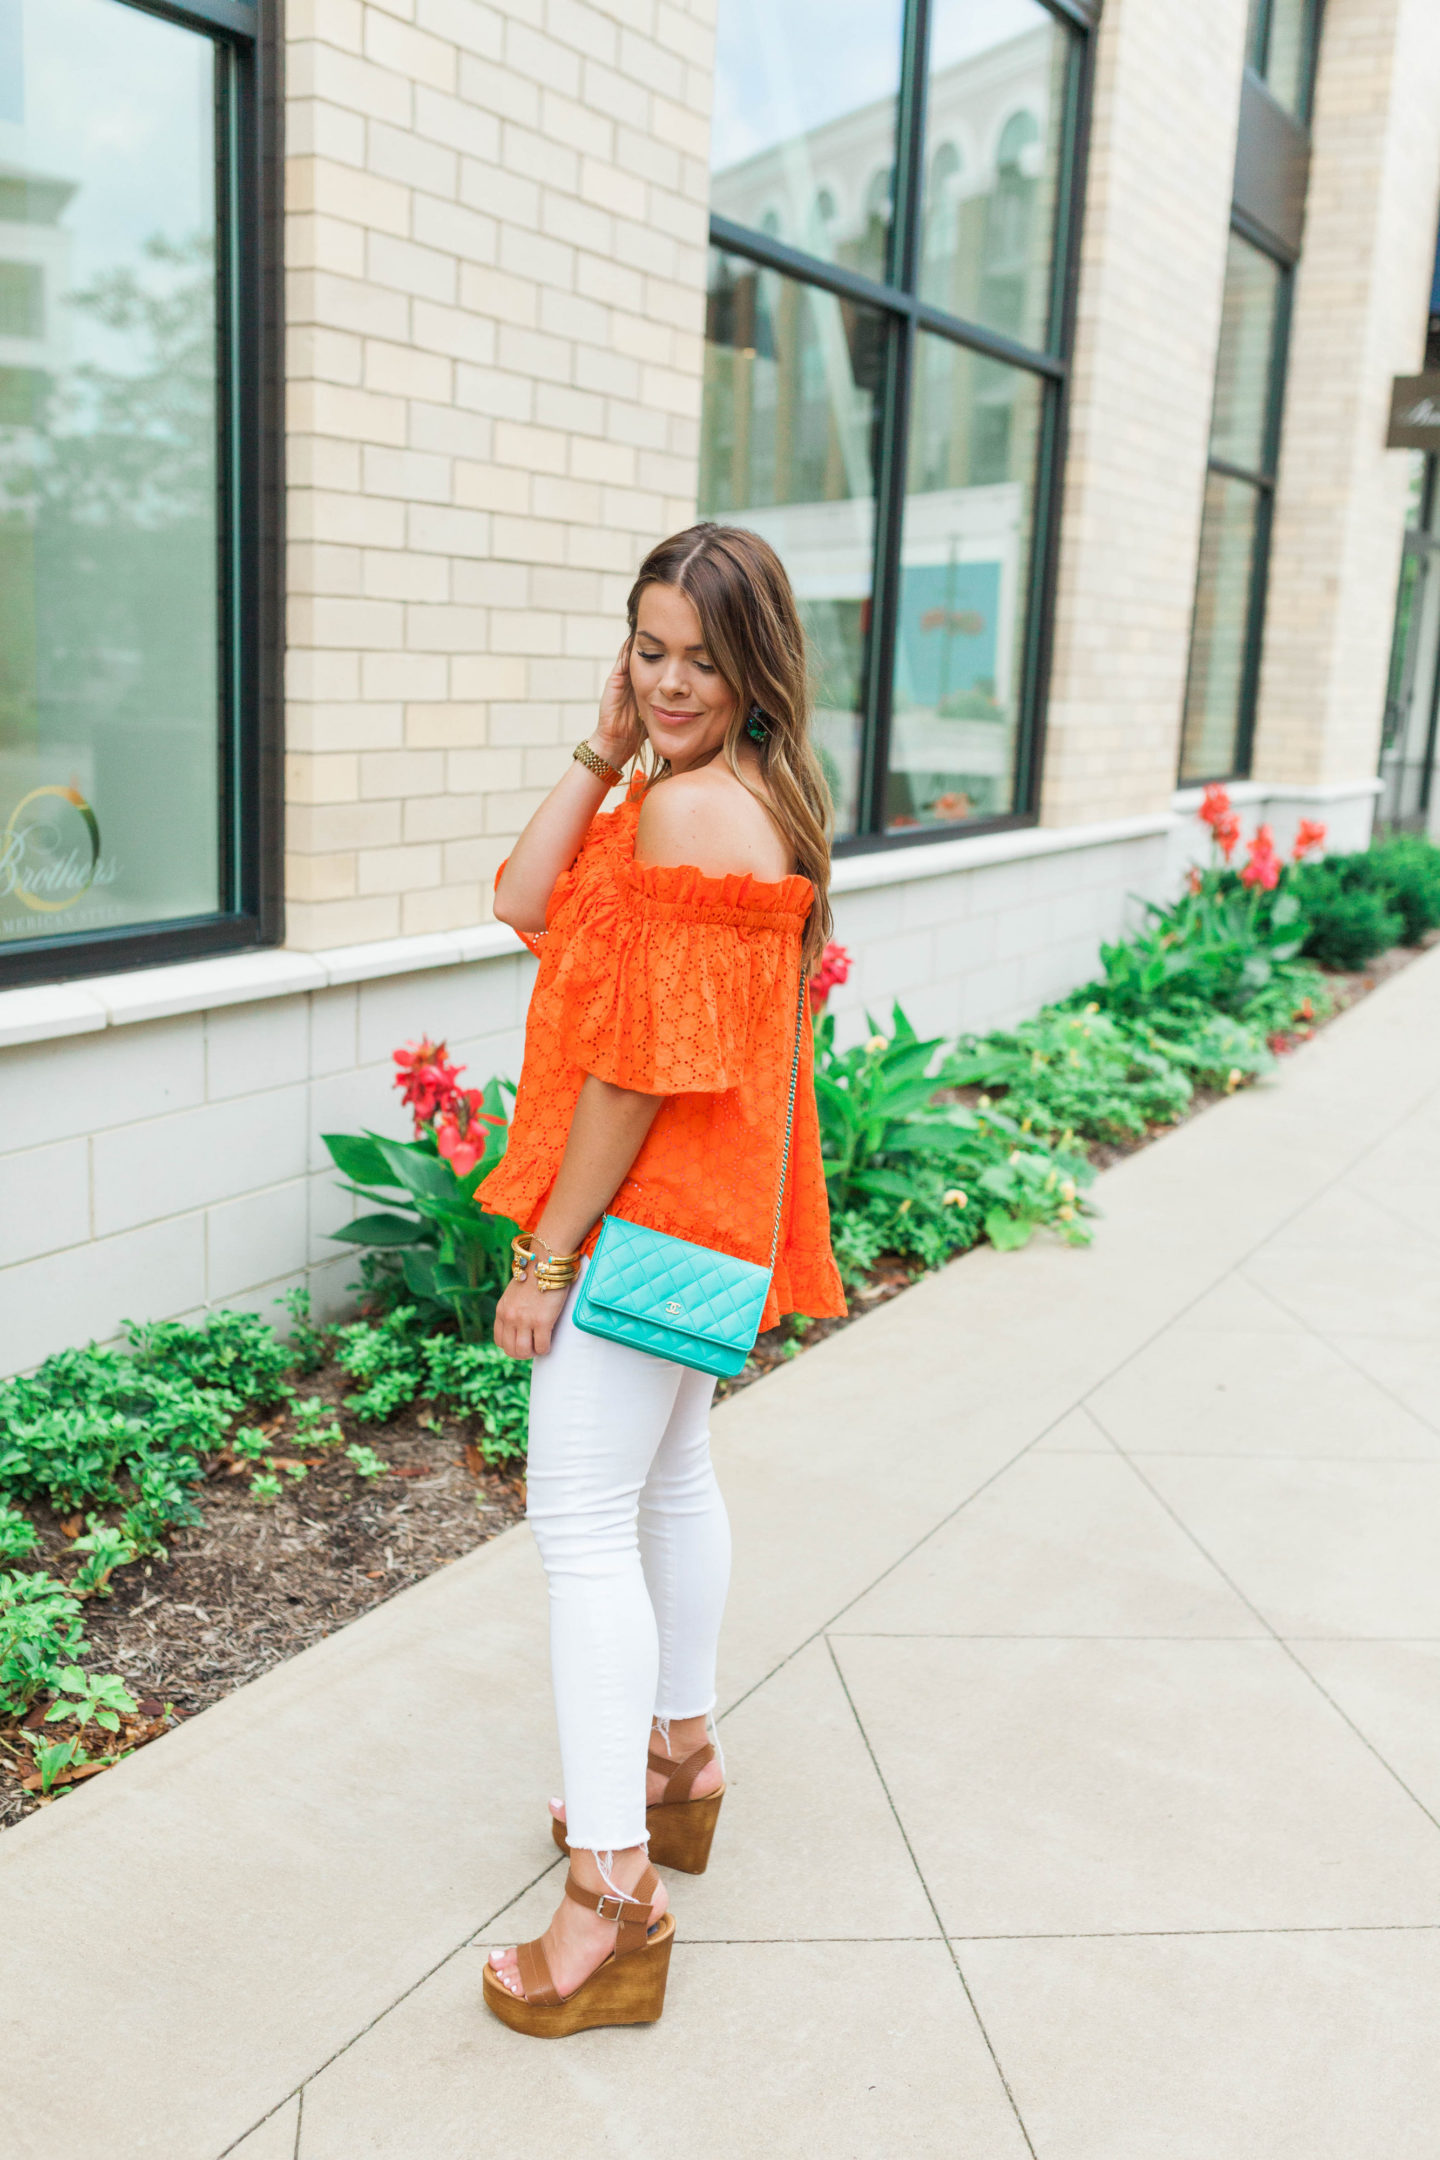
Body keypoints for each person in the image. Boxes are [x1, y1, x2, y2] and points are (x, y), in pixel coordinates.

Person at [475, 523, 845, 2037]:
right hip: (711, 1213)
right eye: (651, 646)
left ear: (757, 666)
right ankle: (675, 1763)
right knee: (671, 1480)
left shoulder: (702, 818)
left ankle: (612, 1898)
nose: (673, 677)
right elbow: (523, 895)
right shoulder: (718, 795)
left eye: (702, 654)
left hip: (645, 1214)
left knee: (576, 1525)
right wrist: (606, 739)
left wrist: (546, 1256)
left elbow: (637, 1070)